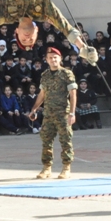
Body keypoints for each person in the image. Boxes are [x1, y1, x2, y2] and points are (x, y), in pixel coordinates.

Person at [29, 47, 77, 179]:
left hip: (63, 113)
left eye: (55, 57)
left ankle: (66, 167)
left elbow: (73, 94)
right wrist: (34, 109)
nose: (53, 60)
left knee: (65, 140)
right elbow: (42, 94)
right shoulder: (45, 75)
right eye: (50, 58)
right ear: (46, 60)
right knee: (46, 140)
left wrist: (72, 113)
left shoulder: (66, 74)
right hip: (48, 113)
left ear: (60, 59)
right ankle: (46, 168)